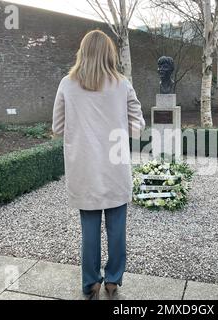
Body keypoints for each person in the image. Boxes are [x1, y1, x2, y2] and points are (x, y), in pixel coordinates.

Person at [52, 30, 145, 300]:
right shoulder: (122, 84)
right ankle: (113, 281)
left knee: (89, 230)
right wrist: (115, 122)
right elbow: (138, 127)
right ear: (109, 53)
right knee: (117, 229)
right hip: (115, 167)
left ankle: (90, 282)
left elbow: (58, 126)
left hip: (83, 169)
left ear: (82, 52)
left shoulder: (67, 84)